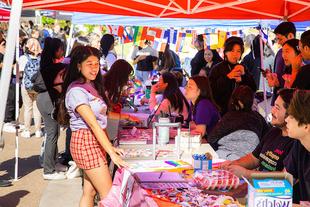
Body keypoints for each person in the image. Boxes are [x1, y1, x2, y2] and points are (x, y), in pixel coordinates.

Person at [59, 46, 127, 206]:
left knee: (89, 192)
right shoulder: (76, 90)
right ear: (78, 65)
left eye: (96, 64)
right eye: (89, 64)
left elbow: (101, 119)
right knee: (110, 197)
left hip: (95, 140)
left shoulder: (91, 85)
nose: (94, 68)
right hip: (85, 142)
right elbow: (93, 124)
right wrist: (111, 150)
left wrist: (109, 147)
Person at [220, 88, 295, 179]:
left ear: (291, 113)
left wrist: (246, 173)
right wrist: (232, 164)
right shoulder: (273, 132)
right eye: (274, 106)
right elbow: (254, 158)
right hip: (257, 187)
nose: (272, 111)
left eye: (277, 108)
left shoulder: (296, 142)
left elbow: (286, 178)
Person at [208, 85, 269, 160]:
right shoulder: (258, 117)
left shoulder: (229, 117)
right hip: (249, 162)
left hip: (225, 158)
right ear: (251, 100)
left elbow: (211, 138)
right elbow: (268, 139)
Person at [37, 37, 67, 180]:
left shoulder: (48, 64)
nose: (62, 51)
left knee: (53, 134)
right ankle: (48, 170)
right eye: (61, 48)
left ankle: (53, 163)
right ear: (55, 50)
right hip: (47, 102)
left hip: (45, 100)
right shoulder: (54, 67)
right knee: (52, 135)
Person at [209, 36, 257, 115]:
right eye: (232, 51)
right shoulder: (217, 69)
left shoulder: (243, 67)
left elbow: (253, 88)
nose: (235, 54)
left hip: (241, 112)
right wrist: (228, 77)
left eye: (238, 51)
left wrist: (244, 76)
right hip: (222, 112)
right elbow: (212, 91)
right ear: (226, 52)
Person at [284, 90, 310, 203]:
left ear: (306, 127)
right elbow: (286, 180)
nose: (286, 119)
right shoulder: (300, 143)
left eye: (292, 116)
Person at [267, 22, 296, 105]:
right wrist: (271, 77)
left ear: (290, 36)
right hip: (277, 100)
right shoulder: (279, 53)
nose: (278, 42)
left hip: (289, 104)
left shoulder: (301, 56)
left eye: (280, 39)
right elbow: (278, 77)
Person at [19, 38, 43, 138]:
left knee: (27, 108)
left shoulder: (23, 58)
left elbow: (19, 73)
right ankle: (38, 131)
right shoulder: (42, 58)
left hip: (26, 86)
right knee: (37, 109)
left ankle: (27, 130)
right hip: (38, 86)